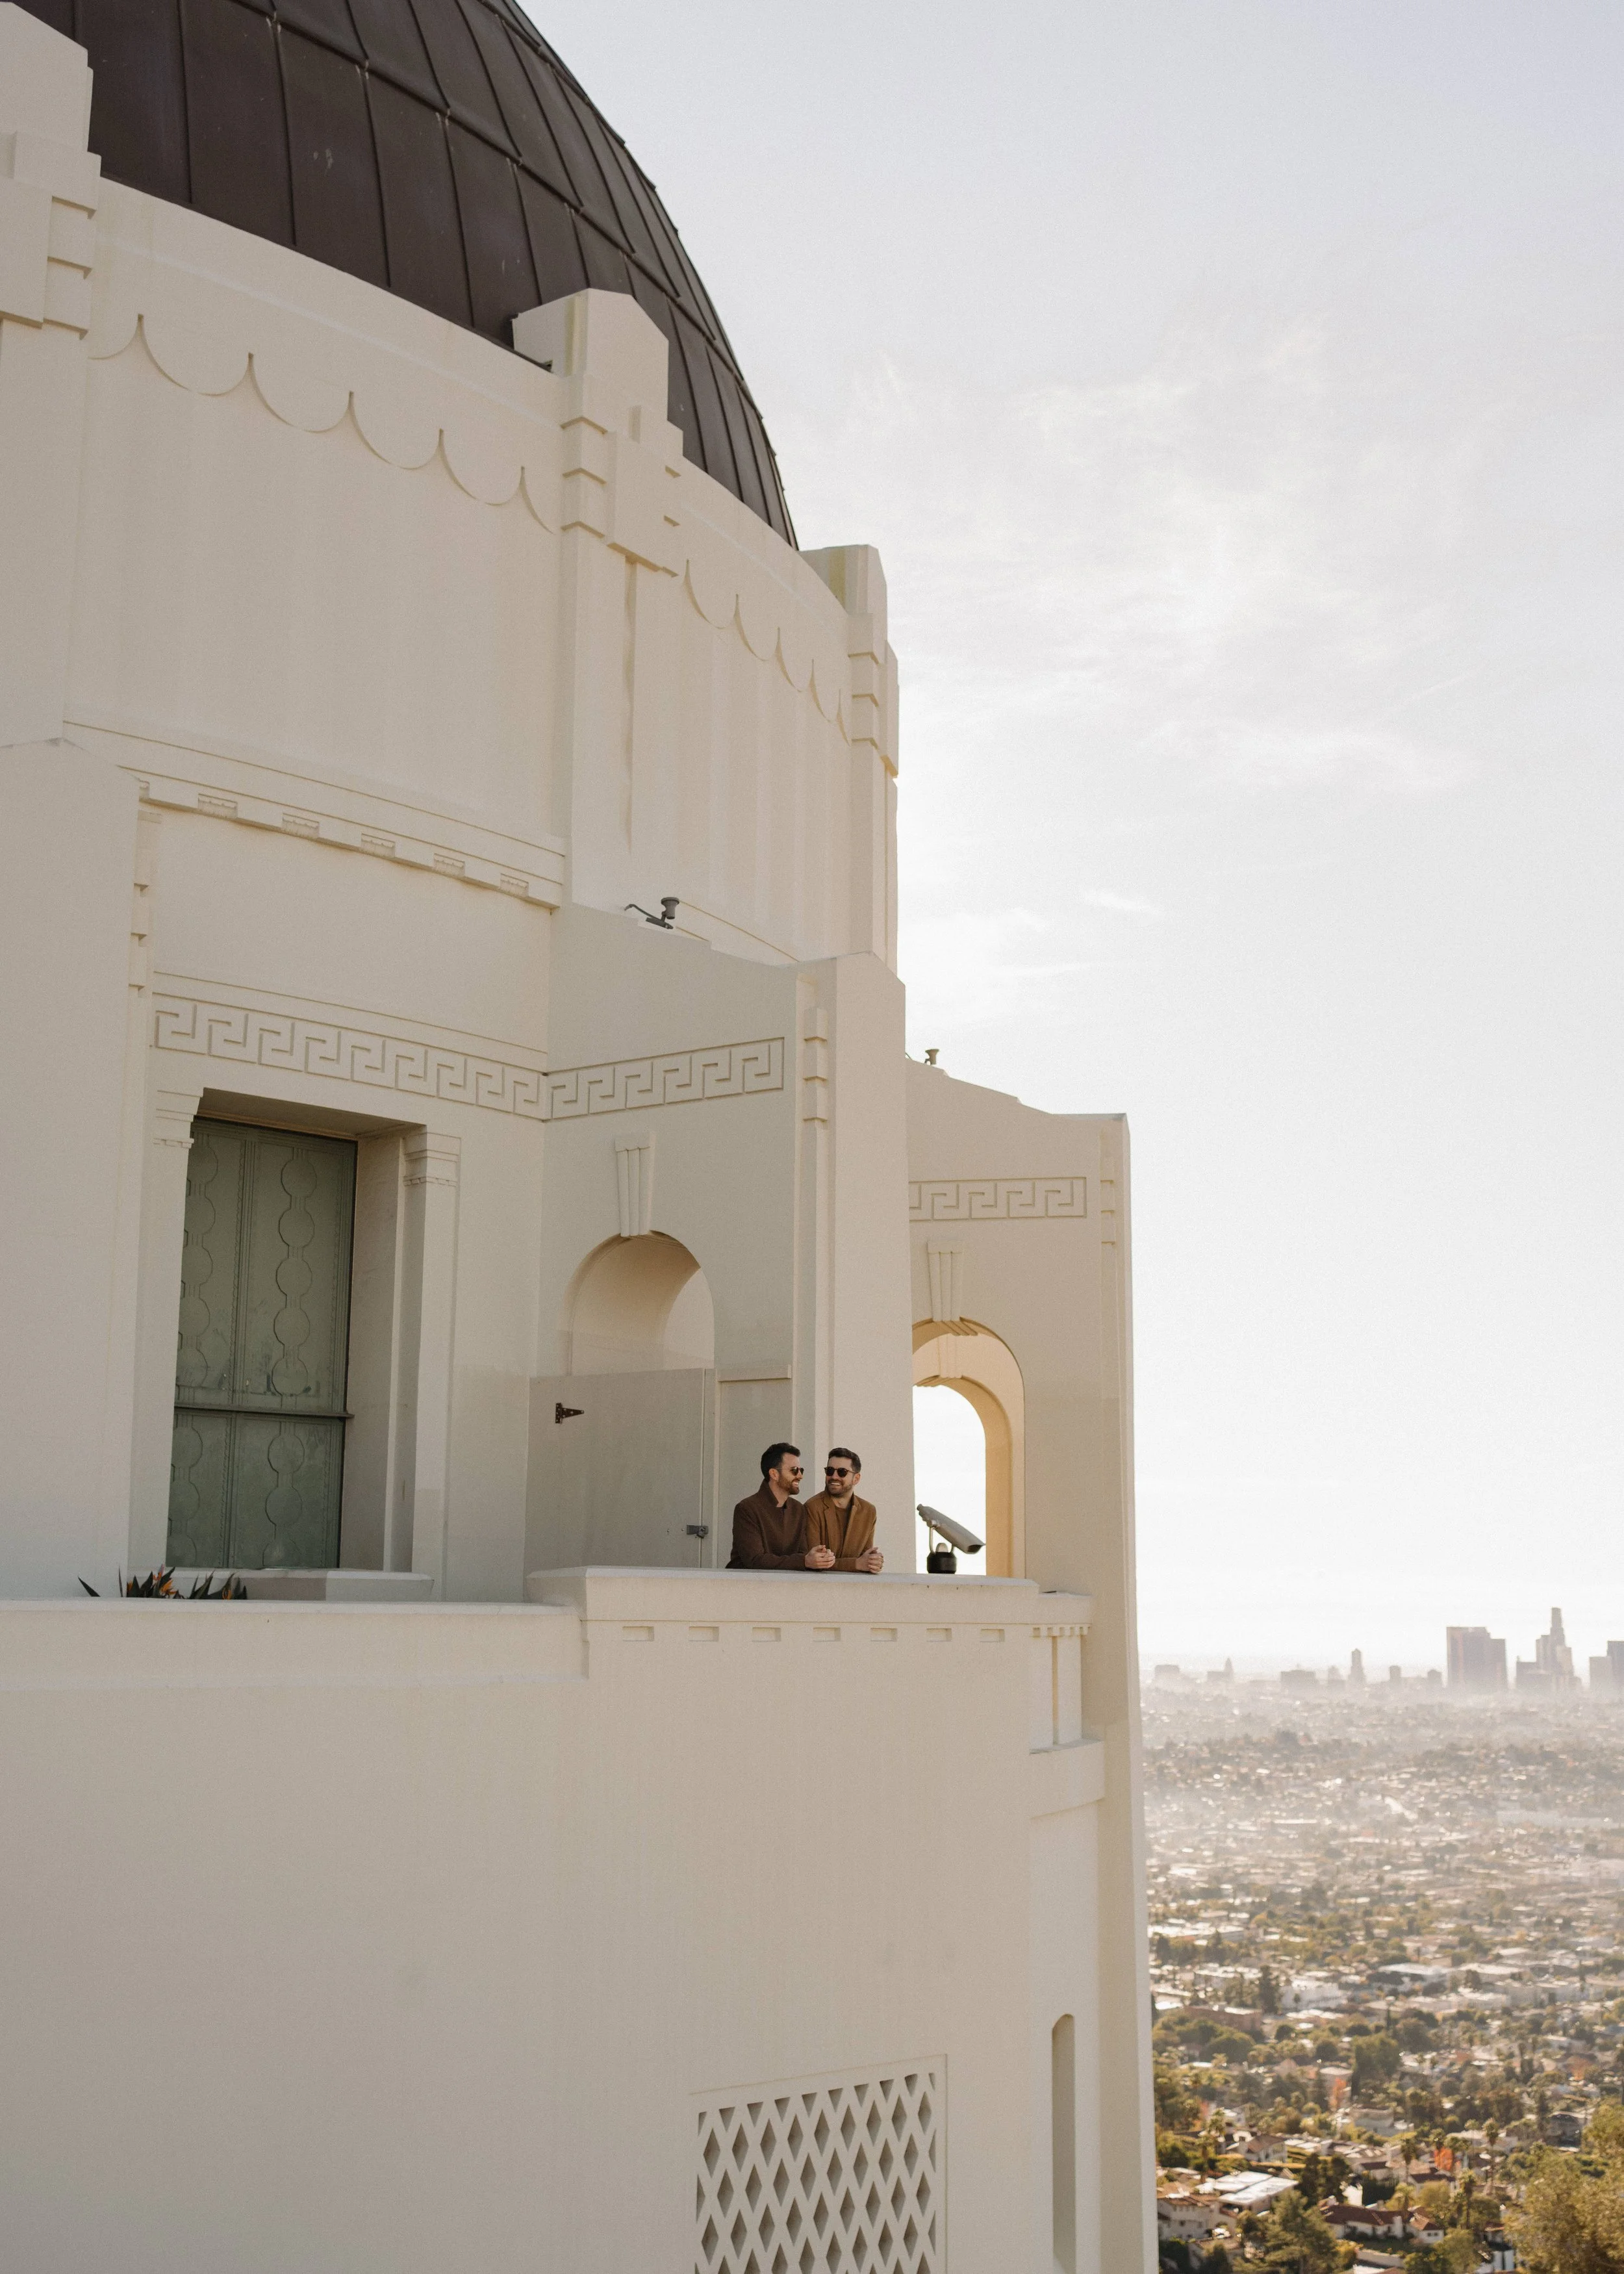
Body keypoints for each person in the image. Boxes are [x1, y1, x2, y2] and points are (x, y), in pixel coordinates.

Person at [727, 1443, 836, 1570]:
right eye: (794, 1470)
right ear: (774, 1474)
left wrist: (819, 1558)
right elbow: (754, 1560)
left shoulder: (798, 1509)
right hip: (746, 1586)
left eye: (801, 1470)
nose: (800, 1475)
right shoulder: (747, 1508)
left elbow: (802, 1553)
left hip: (786, 1587)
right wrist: (804, 1561)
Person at [804, 1448, 883, 1573]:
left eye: (842, 1472)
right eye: (830, 1471)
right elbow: (817, 1562)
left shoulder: (868, 1511)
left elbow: (866, 1559)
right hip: (820, 1587)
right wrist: (856, 1564)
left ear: (856, 1478)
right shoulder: (812, 1507)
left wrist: (874, 1562)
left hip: (854, 1589)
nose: (834, 1477)